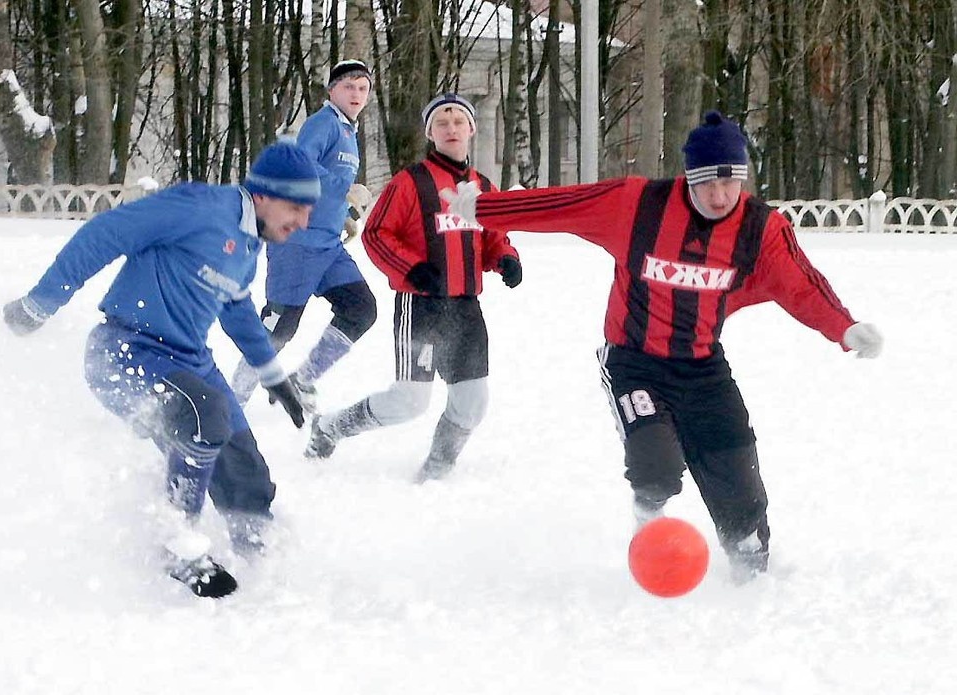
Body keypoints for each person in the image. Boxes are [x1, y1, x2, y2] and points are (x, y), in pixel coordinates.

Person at [441, 110, 884, 581]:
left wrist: (844, 328)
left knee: (736, 465)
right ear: (688, 178)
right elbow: (562, 205)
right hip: (633, 362)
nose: (719, 196)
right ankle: (648, 518)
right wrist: (483, 210)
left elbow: (800, 285)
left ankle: (750, 567)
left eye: (730, 183)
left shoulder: (760, 229)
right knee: (656, 461)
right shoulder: (639, 206)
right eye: (706, 183)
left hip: (702, 365)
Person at [2, 142, 319, 598]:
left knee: (245, 468)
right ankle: (177, 544)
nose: (303, 222)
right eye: (296, 208)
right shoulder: (200, 207)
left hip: (190, 361)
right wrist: (40, 304)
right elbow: (106, 233)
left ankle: (261, 559)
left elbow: (236, 308)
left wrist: (274, 376)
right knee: (204, 413)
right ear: (264, 195)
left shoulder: (249, 245)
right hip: (125, 351)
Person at [305, 93, 523, 483]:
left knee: (472, 403)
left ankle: (436, 473)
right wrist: (413, 268)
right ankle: (329, 428)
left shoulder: (483, 186)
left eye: (459, 121)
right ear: (430, 133)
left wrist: (506, 257)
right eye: (442, 123)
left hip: (466, 309)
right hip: (420, 307)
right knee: (409, 401)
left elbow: (494, 236)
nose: (451, 128)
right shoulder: (411, 182)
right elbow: (376, 234)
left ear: (471, 130)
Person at [231, 59, 378, 411]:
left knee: (361, 309)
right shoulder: (324, 123)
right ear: (332, 91)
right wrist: (344, 189)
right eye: (348, 86)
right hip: (297, 243)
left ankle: (301, 379)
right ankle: (231, 400)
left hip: (328, 244)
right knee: (279, 328)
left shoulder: (348, 132)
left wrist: (342, 218)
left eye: (363, 88)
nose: (356, 94)